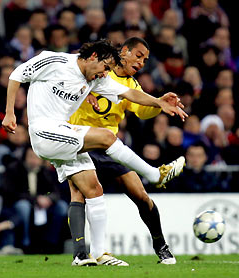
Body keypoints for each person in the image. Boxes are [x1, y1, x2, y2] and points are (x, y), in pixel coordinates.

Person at [2, 39, 187, 266]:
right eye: (105, 68)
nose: (105, 74)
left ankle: (92, 255)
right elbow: (17, 74)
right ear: (93, 57)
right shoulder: (56, 60)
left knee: (94, 189)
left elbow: (130, 94)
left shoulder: (96, 80)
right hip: (45, 132)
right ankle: (154, 175)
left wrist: (159, 102)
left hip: (70, 137)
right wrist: (10, 112)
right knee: (106, 139)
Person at [69, 37, 185, 265]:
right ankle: (80, 253)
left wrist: (160, 105)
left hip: (109, 147)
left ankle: (161, 246)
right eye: (138, 55)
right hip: (80, 139)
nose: (141, 62)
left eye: (145, 60)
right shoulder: (99, 68)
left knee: (140, 195)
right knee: (80, 193)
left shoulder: (132, 85)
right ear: (124, 51)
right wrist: (85, 91)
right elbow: (72, 75)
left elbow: (142, 111)